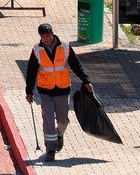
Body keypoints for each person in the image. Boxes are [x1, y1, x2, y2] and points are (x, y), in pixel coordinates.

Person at [25, 22, 93, 163]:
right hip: (45, 91)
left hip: (62, 90)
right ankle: (50, 149)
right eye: (43, 36)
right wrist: (29, 91)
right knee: (48, 119)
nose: (46, 39)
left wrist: (86, 81)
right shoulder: (37, 50)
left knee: (63, 120)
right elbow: (31, 72)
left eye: (48, 35)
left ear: (52, 33)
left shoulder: (65, 47)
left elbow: (76, 65)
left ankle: (59, 134)